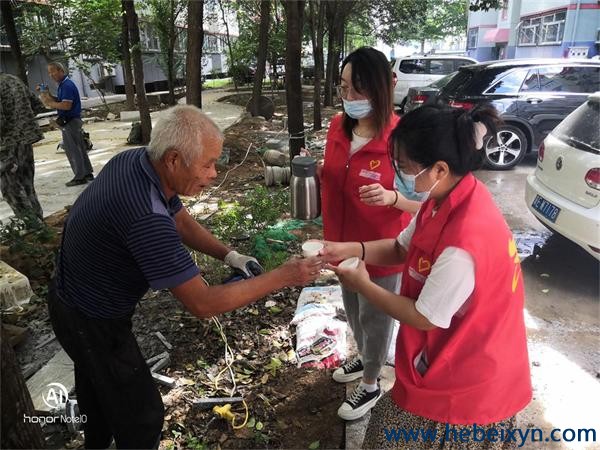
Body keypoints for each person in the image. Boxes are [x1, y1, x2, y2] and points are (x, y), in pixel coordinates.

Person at [48, 105, 323, 449]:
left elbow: (179, 219)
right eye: (207, 164)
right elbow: (203, 303)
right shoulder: (146, 216)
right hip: (91, 318)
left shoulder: (136, 162)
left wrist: (230, 254)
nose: (213, 174)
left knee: (98, 392)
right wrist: (284, 276)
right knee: (142, 415)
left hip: (72, 295)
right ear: (174, 159)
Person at [323, 104, 532, 449]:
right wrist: (349, 249)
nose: (400, 176)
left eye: (404, 168)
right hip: (452, 351)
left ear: (438, 168)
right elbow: (400, 249)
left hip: (473, 377)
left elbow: (423, 317)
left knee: (389, 435)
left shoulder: (465, 240)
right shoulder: (445, 198)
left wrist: (363, 284)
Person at [319, 47, 412, 421]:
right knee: (353, 309)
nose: (350, 98)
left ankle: (372, 384)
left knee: (377, 316)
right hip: (341, 243)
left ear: (380, 88)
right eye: (343, 88)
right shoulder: (337, 127)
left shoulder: (400, 138)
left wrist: (393, 197)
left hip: (381, 247)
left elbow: (425, 202)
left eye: (358, 89)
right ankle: (364, 357)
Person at [38, 61, 93, 186]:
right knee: (79, 148)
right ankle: (87, 173)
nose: (51, 75)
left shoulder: (67, 85)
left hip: (70, 121)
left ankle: (80, 177)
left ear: (61, 71)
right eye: (49, 72)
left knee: (72, 149)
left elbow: (66, 105)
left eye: (53, 71)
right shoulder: (63, 84)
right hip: (72, 120)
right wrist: (48, 94)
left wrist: (49, 104)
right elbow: (61, 100)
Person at [0, 73, 46, 221]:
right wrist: (22, 122)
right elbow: (38, 105)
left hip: (7, 146)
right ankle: (39, 222)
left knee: (11, 188)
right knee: (27, 184)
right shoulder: (14, 79)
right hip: (25, 141)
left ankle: (33, 226)